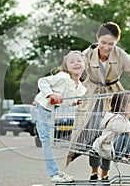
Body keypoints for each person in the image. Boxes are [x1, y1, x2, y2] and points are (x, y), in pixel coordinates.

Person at [66, 22, 130, 180]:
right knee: (94, 134)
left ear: (116, 43)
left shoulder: (120, 54)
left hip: (113, 96)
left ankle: (106, 172)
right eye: (103, 43)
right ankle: (94, 171)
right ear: (97, 39)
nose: (106, 47)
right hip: (92, 97)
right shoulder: (86, 54)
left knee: (111, 134)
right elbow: (74, 74)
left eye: (111, 44)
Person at [31, 50, 87, 183]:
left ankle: (55, 172)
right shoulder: (63, 77)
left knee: (50, 141)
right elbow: (42, 81)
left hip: (52, 111)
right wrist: (50, 94)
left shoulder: (79, 87)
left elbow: (65, 100)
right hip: (42, 107)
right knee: (46, 141)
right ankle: (54, 173)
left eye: (79, 61)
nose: (76, 64)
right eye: (71, 61)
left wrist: (74, 102)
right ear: (66, 66)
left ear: (85, 65)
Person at [92, 92, 130, 162]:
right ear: (123, 107)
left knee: (125, 135)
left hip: (115, 150)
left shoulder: (125, 120)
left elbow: (127, 141)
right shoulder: (116, 118)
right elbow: (120, 128)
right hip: (107, 148)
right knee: (124, 134)